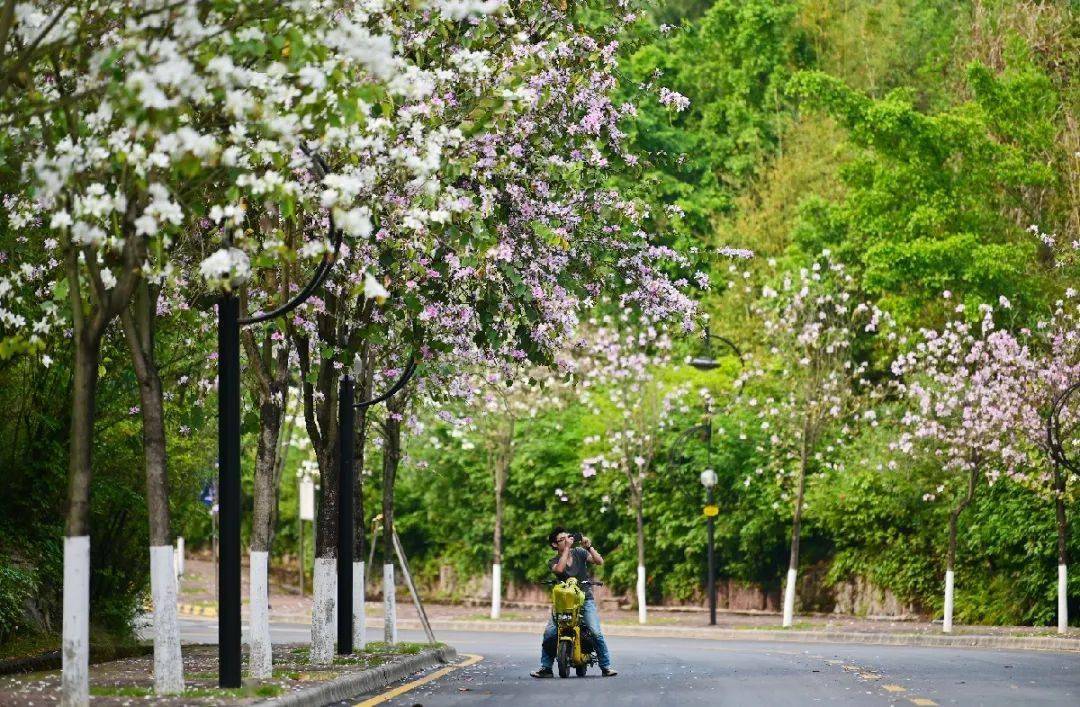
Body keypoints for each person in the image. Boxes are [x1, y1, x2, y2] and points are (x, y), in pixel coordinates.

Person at [530, 526, 617, 677]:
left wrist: (589, 547)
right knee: (550, 634)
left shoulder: (579, 553)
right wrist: (566, 550)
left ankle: (606, 666)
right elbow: (560, 570)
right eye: (561, 540)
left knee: (595, 632)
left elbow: (599, 561)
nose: (566, 541)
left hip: (585, 599)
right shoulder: (553, 561)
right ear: (554, 545)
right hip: (563, 604)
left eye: (567, 537)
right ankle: (546, 668)